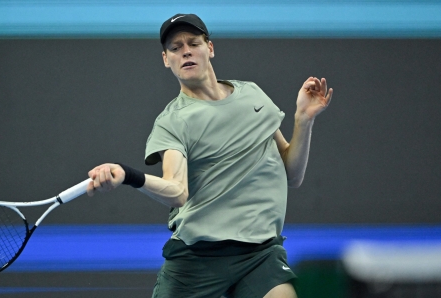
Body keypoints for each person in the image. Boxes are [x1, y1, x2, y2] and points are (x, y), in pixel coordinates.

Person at [86, 13, 333, 298]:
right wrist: (128, 175)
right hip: (197, 259)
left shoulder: (252, 95)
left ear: (210, 48)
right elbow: (177, 191)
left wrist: (303, 119)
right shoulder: (173, 121)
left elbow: (291, 174)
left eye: (193, 43)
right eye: (175, 48)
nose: (186, 51)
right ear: (166, 59)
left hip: (260, 254)